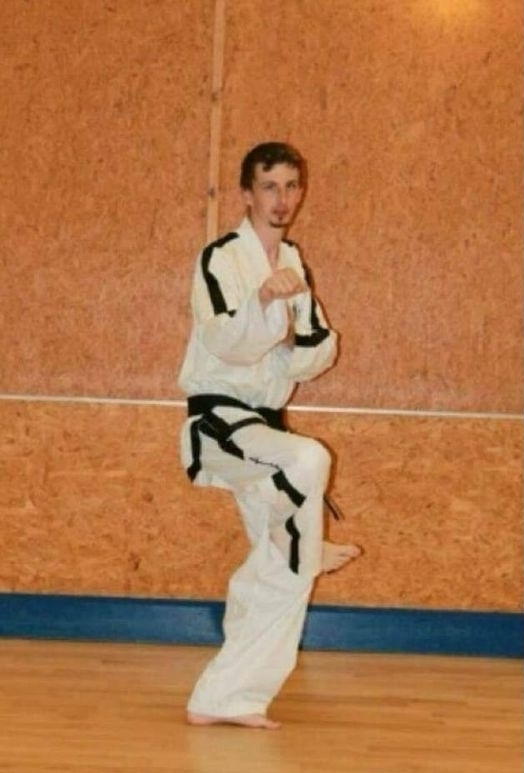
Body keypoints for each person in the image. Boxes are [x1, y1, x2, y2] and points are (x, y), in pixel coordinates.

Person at [178, 141, 361, 730]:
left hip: (263, 428)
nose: (282, 199)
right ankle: (304, 544)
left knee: (286, 573)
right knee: (307, 460)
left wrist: (289, 334)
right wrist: (261, 304)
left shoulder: (294, 264)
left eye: (291, 186)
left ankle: (227, 698)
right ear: (247, 194)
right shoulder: (220, 259)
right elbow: (224, 342)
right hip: (220, 423)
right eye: (269, 187)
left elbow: (315, 354)